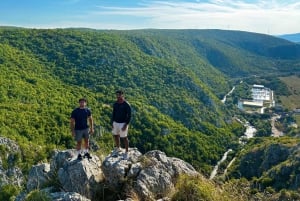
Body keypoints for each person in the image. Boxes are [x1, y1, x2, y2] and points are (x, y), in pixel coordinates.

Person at [111, 90, 132, 159]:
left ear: (123, 95)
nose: (118, 96)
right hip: (115, 122)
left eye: (119, 95)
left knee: (124, 137)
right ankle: (118, 148)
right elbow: (113, 113)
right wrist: (112, 123)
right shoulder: (115, 104)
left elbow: (129, 115)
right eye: (117, 95)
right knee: (116, 135)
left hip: (123, 123)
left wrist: (126, 124)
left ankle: (126, 152)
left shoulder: (126, 104)